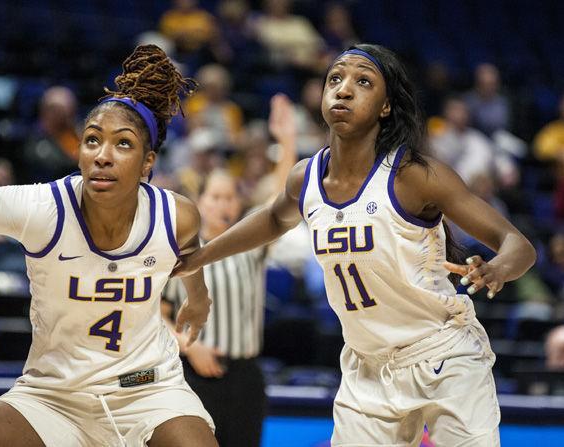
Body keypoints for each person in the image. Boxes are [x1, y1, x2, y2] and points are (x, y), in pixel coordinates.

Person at [175, 44, 537, 446]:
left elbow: (517, 244)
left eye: (362, 81)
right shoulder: (306, 178)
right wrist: (202, 255)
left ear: (385, 107)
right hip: (367, 367)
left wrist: (499, 268)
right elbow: (274, 218)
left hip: (443, 355)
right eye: (335, 79)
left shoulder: (413, 175)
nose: (344, 90)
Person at [0, 44, 217, 447]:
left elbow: (190, 246)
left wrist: (198, 297)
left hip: (149, 388)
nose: (102, 155)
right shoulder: (43, 208)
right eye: (92, 140)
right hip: (53, 395)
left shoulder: (177, 214)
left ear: (148, 161)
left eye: (123, 144)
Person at [162, 94, 296, 447]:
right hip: (192, 371)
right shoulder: (181, 253)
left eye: (229, 197)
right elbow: (154, 315)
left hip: (246, 374)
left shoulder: (250, 246)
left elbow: (282, 199)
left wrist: (287, 141)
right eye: (215, 197)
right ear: (200, 202)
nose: (223, 204)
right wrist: (188, 348)